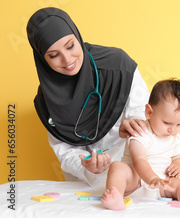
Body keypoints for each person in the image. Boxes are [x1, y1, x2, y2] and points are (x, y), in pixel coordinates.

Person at [27, 7, 148, 187]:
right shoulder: (47, 100)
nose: (67, 59)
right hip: (84, 184)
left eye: (70, 46)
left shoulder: (118, 67)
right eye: (53, 55)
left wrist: (135, 125)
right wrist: (85, 165)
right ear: (42, 59)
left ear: (77, 36)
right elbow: (65, 151)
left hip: (132, 175)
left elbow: (147, 118)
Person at [101, 78, 180, 211]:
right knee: (118, 167)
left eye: (179, 124)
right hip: (135, 183)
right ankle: (115, 195)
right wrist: (152, 179)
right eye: (167, 123)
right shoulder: (140, 131)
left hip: (163, 185)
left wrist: (178, 166)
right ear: (149, 112)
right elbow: (139, 160)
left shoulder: (173, 137)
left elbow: (178, 158)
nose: (172, 129)